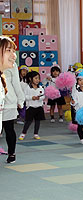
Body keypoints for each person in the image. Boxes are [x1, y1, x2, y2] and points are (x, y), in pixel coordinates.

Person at [0, 36, 19, 164]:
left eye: (14, 51)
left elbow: (16, 84)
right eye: (8, 51)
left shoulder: (3, 80)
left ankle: (12, 153)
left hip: (10, 103)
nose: (14, 55)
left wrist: (20, 99)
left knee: (9, 130)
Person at [18, 71, 45, 140]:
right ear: (30, 79)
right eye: (35, 78)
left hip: (39, 107)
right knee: (28, 121)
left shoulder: (41, 87)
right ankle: (23, 133)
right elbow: (24, 97)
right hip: (30, 107)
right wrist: (31, 98)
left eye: (38, 78)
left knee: (37, 121)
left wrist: (39, 98)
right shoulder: (27, 88)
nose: (37, 80)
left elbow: (43, 96)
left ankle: (36, 133)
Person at [71, 70, 83, 144]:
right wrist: (73, 103)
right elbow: (74, 101)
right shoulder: (76, 91)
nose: (82, 82)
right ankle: (81, 138)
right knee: (80, 125)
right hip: (80, 110)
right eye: (80, 80)